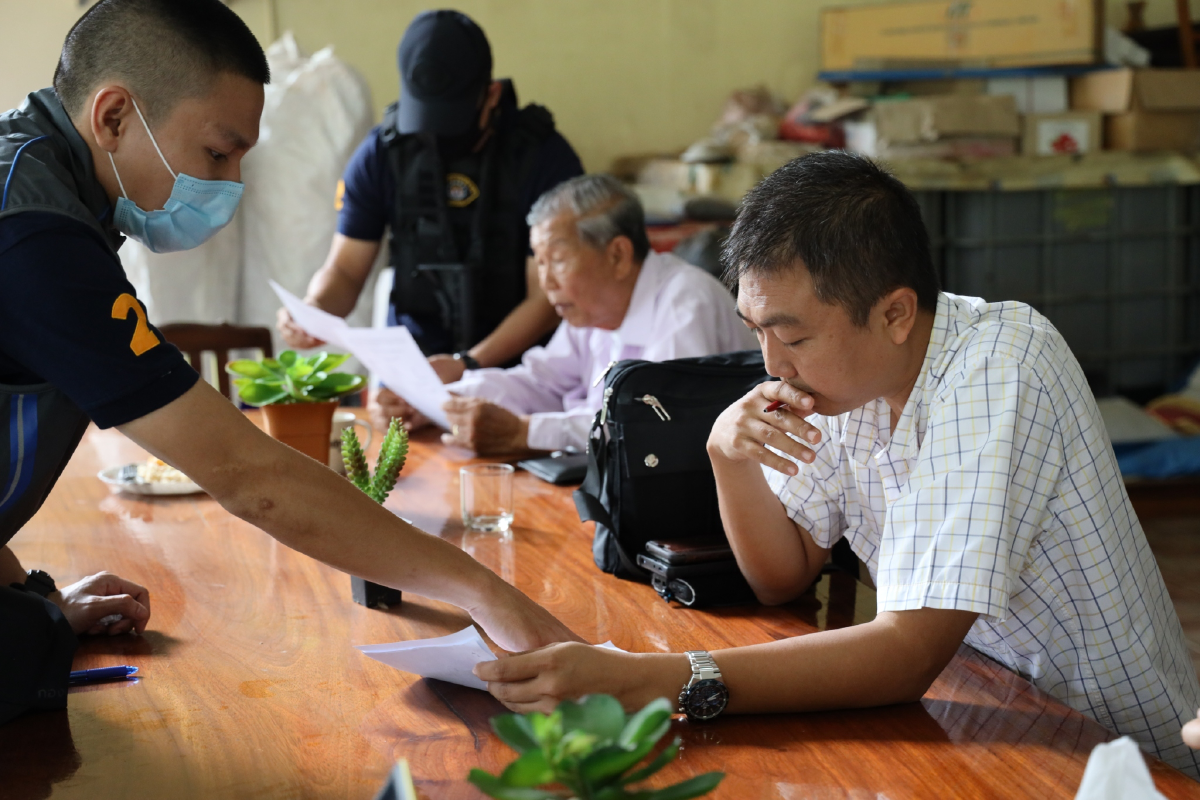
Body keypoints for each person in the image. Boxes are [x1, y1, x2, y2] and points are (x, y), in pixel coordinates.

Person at [474, 152, 1200, 778]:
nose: (770, 365)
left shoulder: (999, 364)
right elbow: (781, 573)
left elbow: (906, 655)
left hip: (1113, 754)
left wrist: (658, 680)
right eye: (758, 331)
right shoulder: (847, 380)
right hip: (978, 712)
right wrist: (727, 458)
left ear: (894, 313)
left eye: (791, 336)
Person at [0, 0, 577, 726]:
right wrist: (486, 594)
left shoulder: (38, 183)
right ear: (114, 116)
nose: (231, 185)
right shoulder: (34, 235)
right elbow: (249, 473)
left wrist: (33, 595)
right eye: (218, 153)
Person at [276, 9, 584, 433]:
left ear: (491, 95)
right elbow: (345, 270)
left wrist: (467, 365)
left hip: (519, 380)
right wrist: (313, 312)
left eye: (453, 120)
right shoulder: (383, 153)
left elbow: (547, 299)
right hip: (412, 382)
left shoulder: (541, 156)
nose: (438, 135)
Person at [389, 174, 756, 455]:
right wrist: (434, 400)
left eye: (559, 260)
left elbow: (652, 429)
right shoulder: (591, 310)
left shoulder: (685, 303)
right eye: (540, 262)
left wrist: (524, 433)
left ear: (618, 255)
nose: (546, 282)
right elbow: (542, 383)